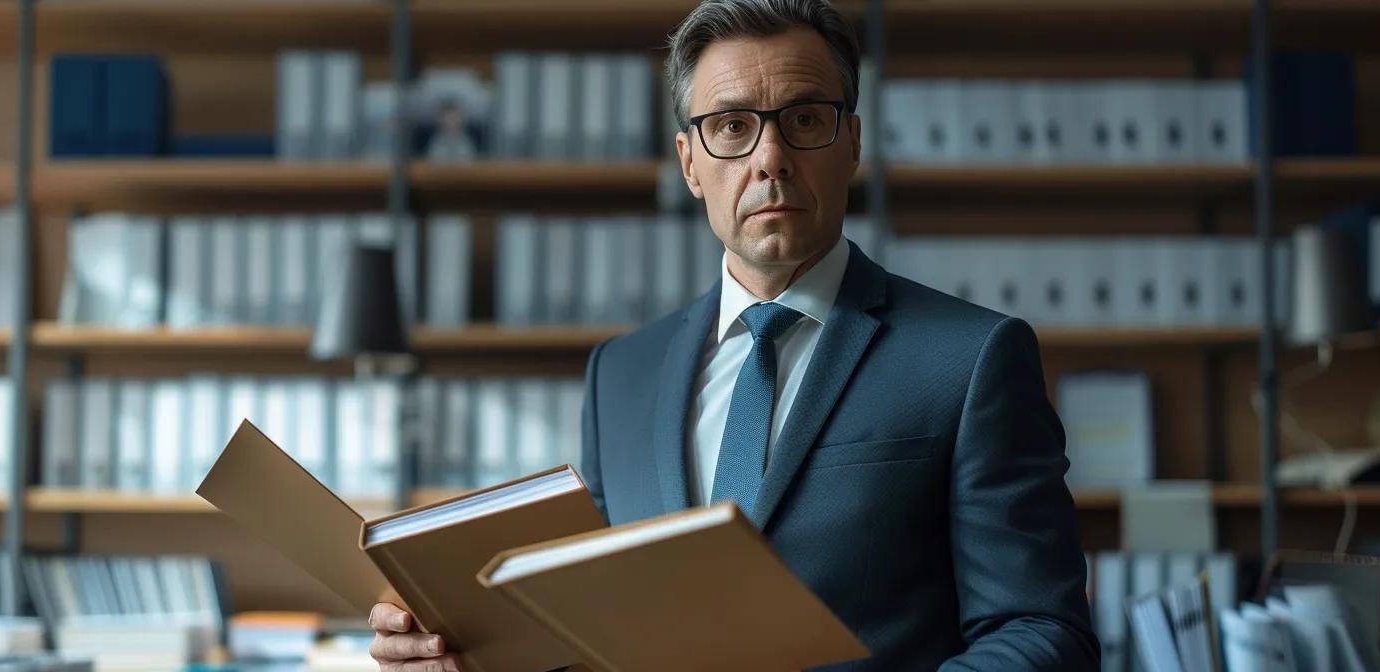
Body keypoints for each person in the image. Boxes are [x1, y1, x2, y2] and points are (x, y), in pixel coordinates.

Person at [370, 0, 1098, 669]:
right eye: (731, 126)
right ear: (690, 161)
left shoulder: (970, 358)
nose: (770, 158)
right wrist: (470, 659)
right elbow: (598, 636)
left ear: (853, 141)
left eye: (806, 119)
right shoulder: (621, 373)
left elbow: (1041, 630)